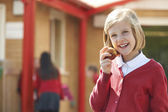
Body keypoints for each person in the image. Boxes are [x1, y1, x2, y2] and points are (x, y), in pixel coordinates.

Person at [89, 8, 168, 112]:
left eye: (125, 32)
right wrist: (105, 74)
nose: (120, 39)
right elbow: (96, 106)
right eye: (114, 35)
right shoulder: (109, 66)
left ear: (136, 33)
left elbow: (160, 109)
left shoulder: (155, 70)